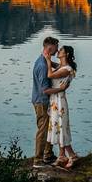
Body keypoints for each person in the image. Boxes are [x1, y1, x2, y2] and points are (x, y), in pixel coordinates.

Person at [46, 45, 79, 169]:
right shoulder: (61, 66)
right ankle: (61, 156)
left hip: (60, 102)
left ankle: (72, 155)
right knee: (58, 127)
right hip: (55, 101)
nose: (58, 51)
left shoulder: (67, 69)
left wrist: (48, 61)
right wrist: (47, 58)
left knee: (62, 128)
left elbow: (50, 75)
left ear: (66, 54)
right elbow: (56, 66)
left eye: (60, 51)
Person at [31, 36, 61, 168]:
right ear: (50, 47)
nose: (57, 49)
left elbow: (53, 65)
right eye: (56, 47)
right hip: (41, 102)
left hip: (41, 101)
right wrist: (60, 89)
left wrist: (60, 66)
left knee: (48, 127)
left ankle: (47, 154)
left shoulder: (42, 60)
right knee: (43, 130)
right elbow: (45, 90)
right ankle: (37, 160)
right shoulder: (43, 66)